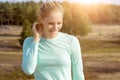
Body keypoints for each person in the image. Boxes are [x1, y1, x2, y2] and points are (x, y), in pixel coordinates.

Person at [21, 1, 85, 80]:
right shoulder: (30, 42)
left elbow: (78, 75)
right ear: (41, 20)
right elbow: (28, 70)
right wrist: (37, 38)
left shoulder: (71, 41)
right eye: (51, 23)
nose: (55, 28)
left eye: (59, 23)